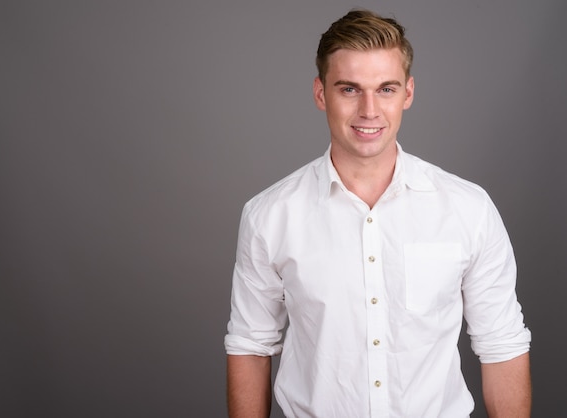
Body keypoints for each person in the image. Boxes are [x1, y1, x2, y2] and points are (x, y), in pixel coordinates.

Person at [224, 9, 531, 418]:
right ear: (321, 94)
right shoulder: (269, 215)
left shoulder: (468, 209)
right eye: (349, 89)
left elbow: (502, 344)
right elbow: (250, 344)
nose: (369, 110)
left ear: (408, 93)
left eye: (385, 89)